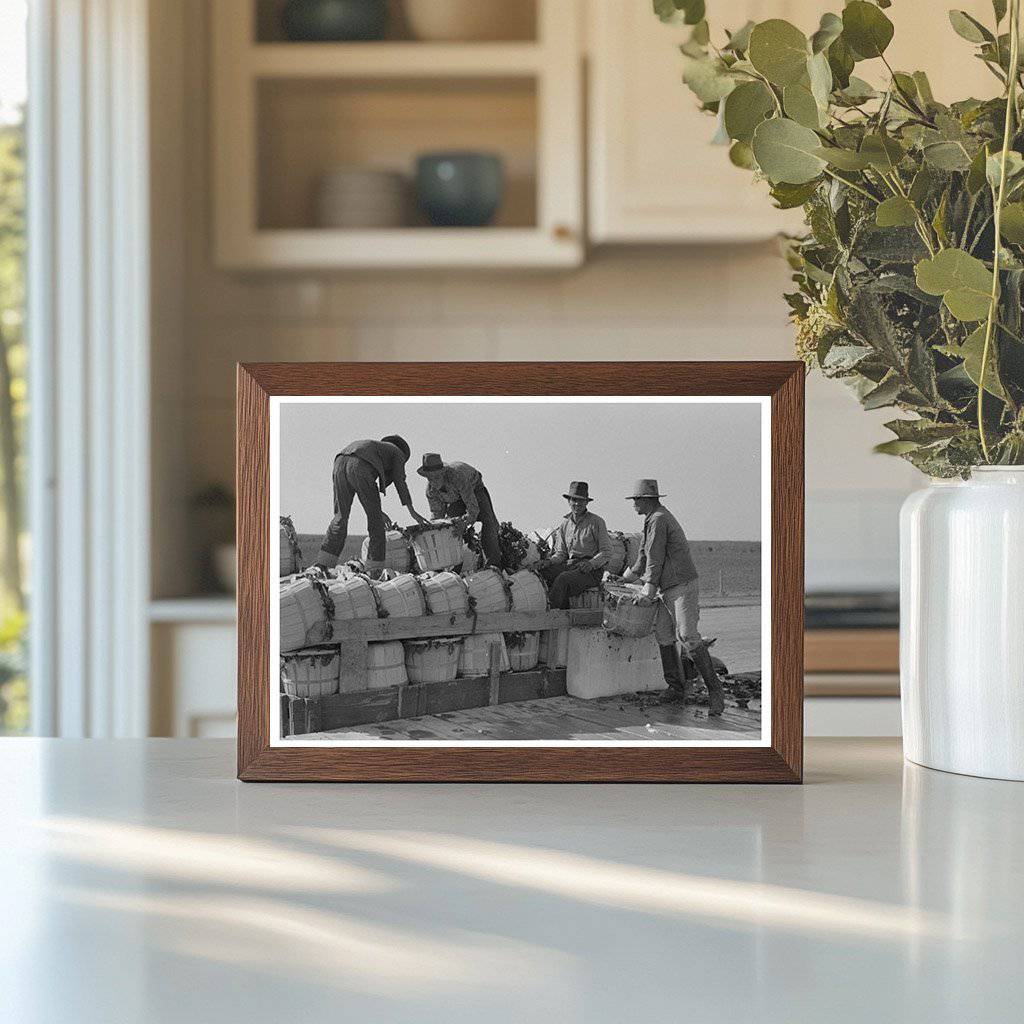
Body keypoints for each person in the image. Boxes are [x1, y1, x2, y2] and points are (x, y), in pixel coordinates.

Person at [620, 479, 725, 714]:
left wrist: (648, 588)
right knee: (664, 634)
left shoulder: (659, 519)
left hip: (681, 586)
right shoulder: (651, 520)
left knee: (688, 636)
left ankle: (715, 691)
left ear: (647, 500)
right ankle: (676, 688)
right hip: (668, 588)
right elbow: (643, 557)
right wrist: (624, 578)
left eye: (636, 499)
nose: (633, 503)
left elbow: (655, 559)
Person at [314, 436, 428, 573]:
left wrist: (378, 511)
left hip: (339, 463)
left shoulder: (377, 448)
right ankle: (374, 569)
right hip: (360, 465)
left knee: (340, 517)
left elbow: (363, 491)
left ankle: (323, 564)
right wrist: (412, 512)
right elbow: (400, 481)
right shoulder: (398, 453)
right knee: (376, 524)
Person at [537, 481, 613, 609]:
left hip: (591, 572)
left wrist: (591, 564)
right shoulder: (565, 524)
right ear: (569, 501)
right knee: (541, 573)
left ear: (587, 502)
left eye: (581, 500)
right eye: (574, 500)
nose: (577, 504)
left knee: (563, 579)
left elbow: (606, 552)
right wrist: (548, 562)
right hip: (570, 565)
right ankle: (546, 607)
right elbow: (561, 554)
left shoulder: (596, 522)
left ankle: (551, 613)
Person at [418, 453, 502, 566]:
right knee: (451, 527)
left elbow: (473, 508)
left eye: (436, 477)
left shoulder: (457, 477)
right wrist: (430, 532)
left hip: (475, 488)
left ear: (443, 473)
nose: (433, 481)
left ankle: (493, 565)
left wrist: (465, 523)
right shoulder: (431, 491)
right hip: (456, 499)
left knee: (488, 522)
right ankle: (454, 567)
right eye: (430, 478)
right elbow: (437, 516)